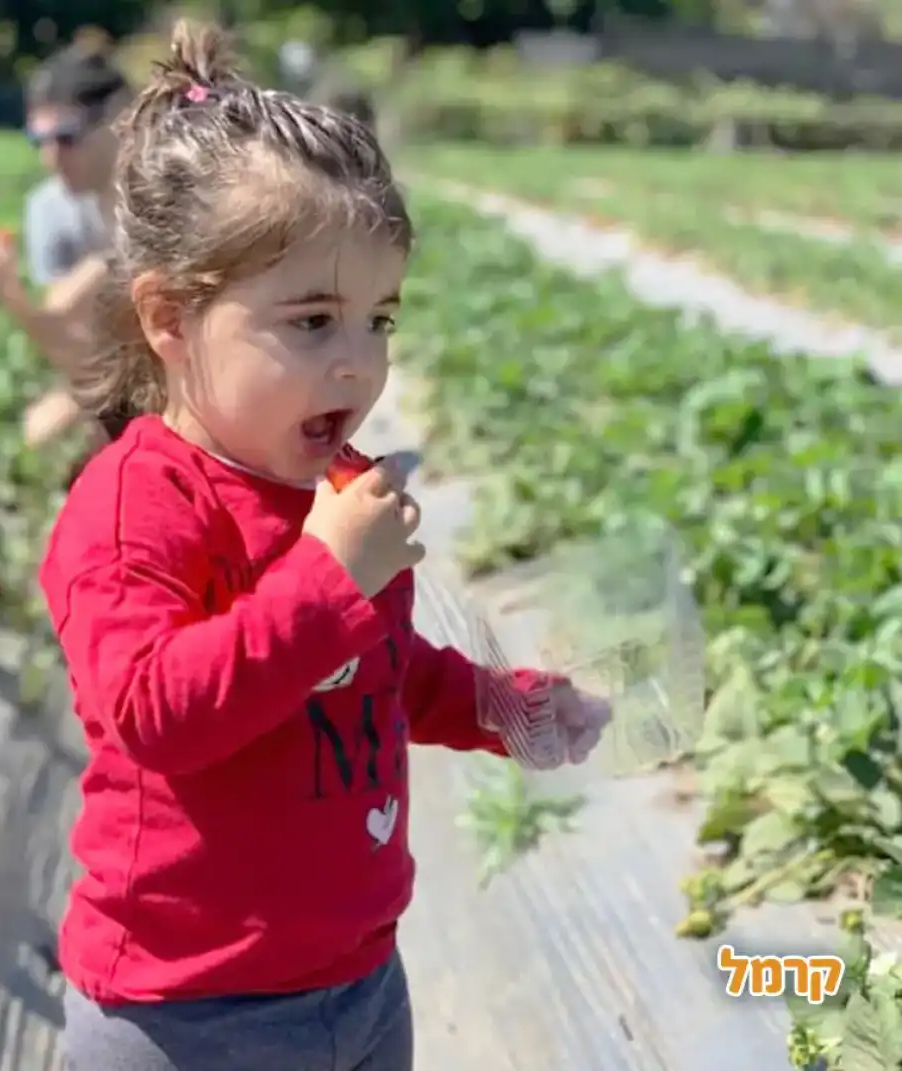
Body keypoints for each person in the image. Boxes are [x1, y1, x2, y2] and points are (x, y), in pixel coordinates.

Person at [38, 19, 610, 1071]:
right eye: (311, 322)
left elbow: (371, 673)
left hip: (358, 980)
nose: (357, 366)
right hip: (184, 1016)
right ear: (169, 316)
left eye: (379, 321)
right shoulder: (138, 507)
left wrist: (502, 704)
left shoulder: (331, 490)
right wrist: (328, 572)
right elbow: (154, 712)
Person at [0, 40, 135, 449]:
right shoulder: (49, 206)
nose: (51, 157)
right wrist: (12, 297)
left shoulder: (167, 192)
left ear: (119, 118)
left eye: (67, 137)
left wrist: (106, 266)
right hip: (115, 369)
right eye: (38, 141)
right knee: (45, 431)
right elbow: (70, 344)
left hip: (179, 369)